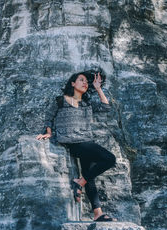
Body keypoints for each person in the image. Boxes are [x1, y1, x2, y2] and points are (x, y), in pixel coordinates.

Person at [36, 71, 117, 222]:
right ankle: (81, 182)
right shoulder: (60, 101)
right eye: (81, 80)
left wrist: (98, 88)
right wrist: (48, 133)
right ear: (72, 83)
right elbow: (49, 117)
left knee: (89, 175)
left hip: (86, 140)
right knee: (110, 159)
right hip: (71, 142)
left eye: (87, 82)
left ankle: (97, 213)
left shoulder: (87, 103)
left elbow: (106, 107)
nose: (85, 83)